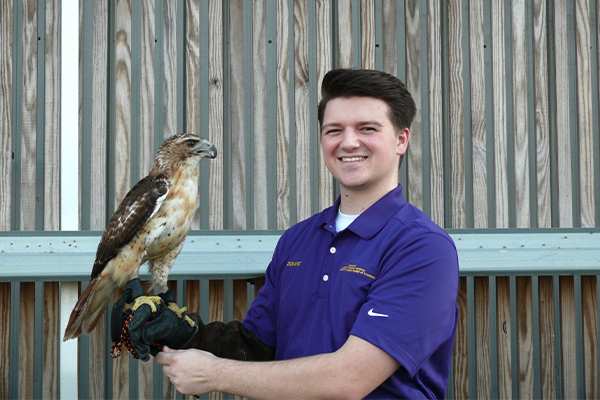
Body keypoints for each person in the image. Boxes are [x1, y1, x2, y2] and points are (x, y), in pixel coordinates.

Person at [115, 68, 459, 399]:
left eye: (367, 128)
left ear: (401, 140)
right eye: (334, 130)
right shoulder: (298, 240)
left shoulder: (422, 247)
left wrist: (213, 373)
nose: (349, 142)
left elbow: (350, 379)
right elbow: (259, 346)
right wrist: (185, 335)